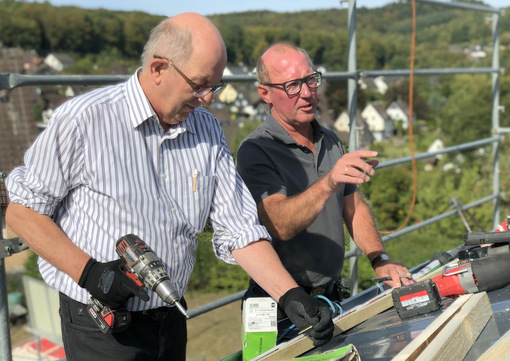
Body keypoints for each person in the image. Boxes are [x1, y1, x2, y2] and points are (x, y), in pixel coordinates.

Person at [6, 16, 333, 361]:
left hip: (171, 316)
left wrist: (290, 295)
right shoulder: (84, 120)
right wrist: (89, 273)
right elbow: (22, 210)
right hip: (101, 326)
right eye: (199, 84)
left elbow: (239, 229)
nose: (207, 99)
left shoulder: (206, 129)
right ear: (159, 68)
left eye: (215, 87)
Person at [236, 43, 413, 310]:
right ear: (265, 93)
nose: (307, 93)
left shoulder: (329, 139)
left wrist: (380, 259)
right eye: (292, 85)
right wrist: (329, 182)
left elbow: (352, 205)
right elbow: (278, 223)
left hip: (330, 296)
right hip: (282, 303)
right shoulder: (256, 150)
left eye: (310, 79)